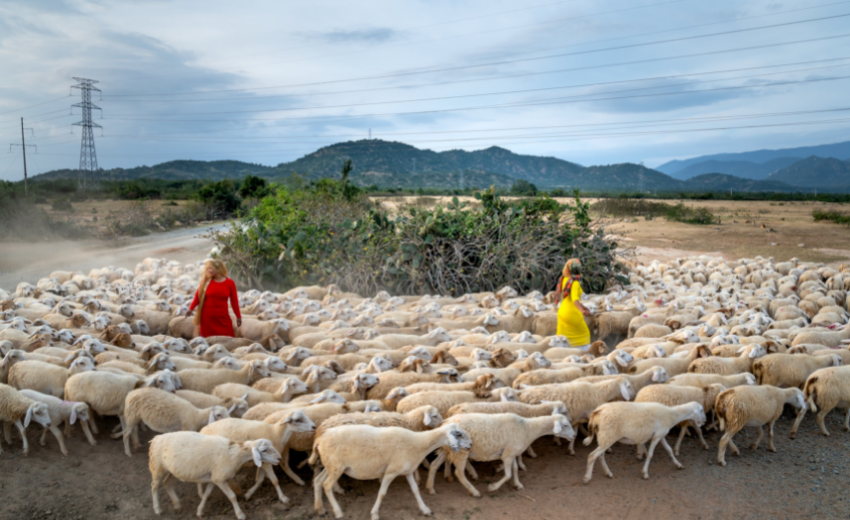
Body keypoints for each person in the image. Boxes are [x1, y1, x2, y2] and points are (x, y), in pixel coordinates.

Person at [188, 259, 242, 338]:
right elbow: (197, 297)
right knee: (208, 341)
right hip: (207, 318)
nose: (209, 270)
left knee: (228, 339)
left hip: (222, 317)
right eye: (208, 268)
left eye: (211, 268)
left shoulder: (230, 283)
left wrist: (238, 316)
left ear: (219, 269)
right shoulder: (206, 282)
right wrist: (190, 309)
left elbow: (234, 301)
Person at [555, 258, 592, 351]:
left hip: (562, 311)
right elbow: (575, 298)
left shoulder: (565, 279)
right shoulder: (574, 282)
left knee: (564, 337)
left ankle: (564, 353)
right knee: (585, 334)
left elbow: (570, 298)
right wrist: (582, 310)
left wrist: (584, 307)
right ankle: (583, 354)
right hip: (572, 313)